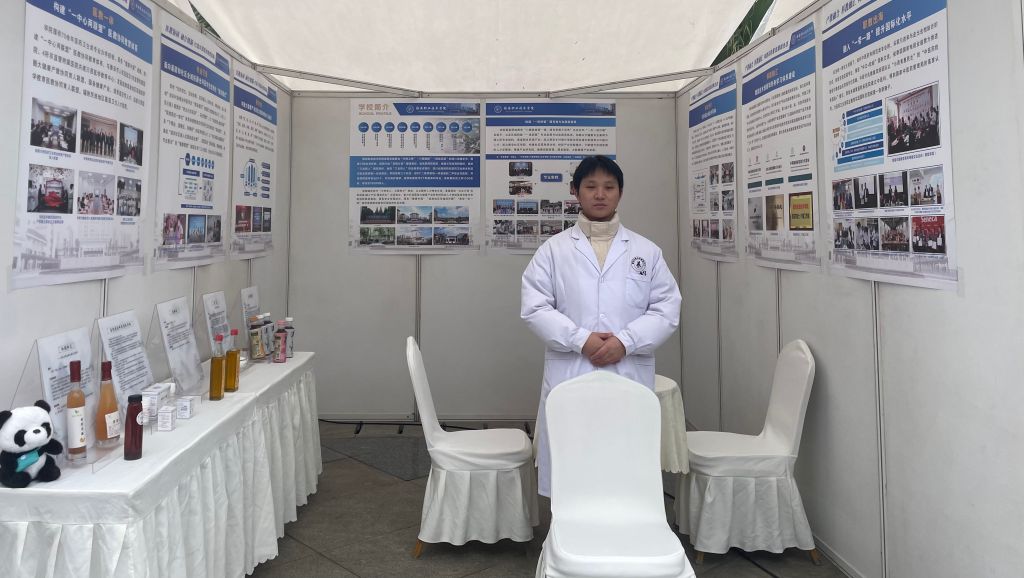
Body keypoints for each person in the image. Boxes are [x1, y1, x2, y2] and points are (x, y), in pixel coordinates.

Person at [521, 155, 682, 497]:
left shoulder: (646, 251)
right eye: (591, 186)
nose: (599, 194)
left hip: (627, 371)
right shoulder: (553, 251)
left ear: (620, 193)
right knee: (572, 463)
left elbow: (667, 308)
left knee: (623, 465)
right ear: (575, 191)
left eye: (609, 187)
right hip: (572, 370)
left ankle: (625, 525)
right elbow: (535, 307)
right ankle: (568, 526)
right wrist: (581, 340)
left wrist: (626, 342)